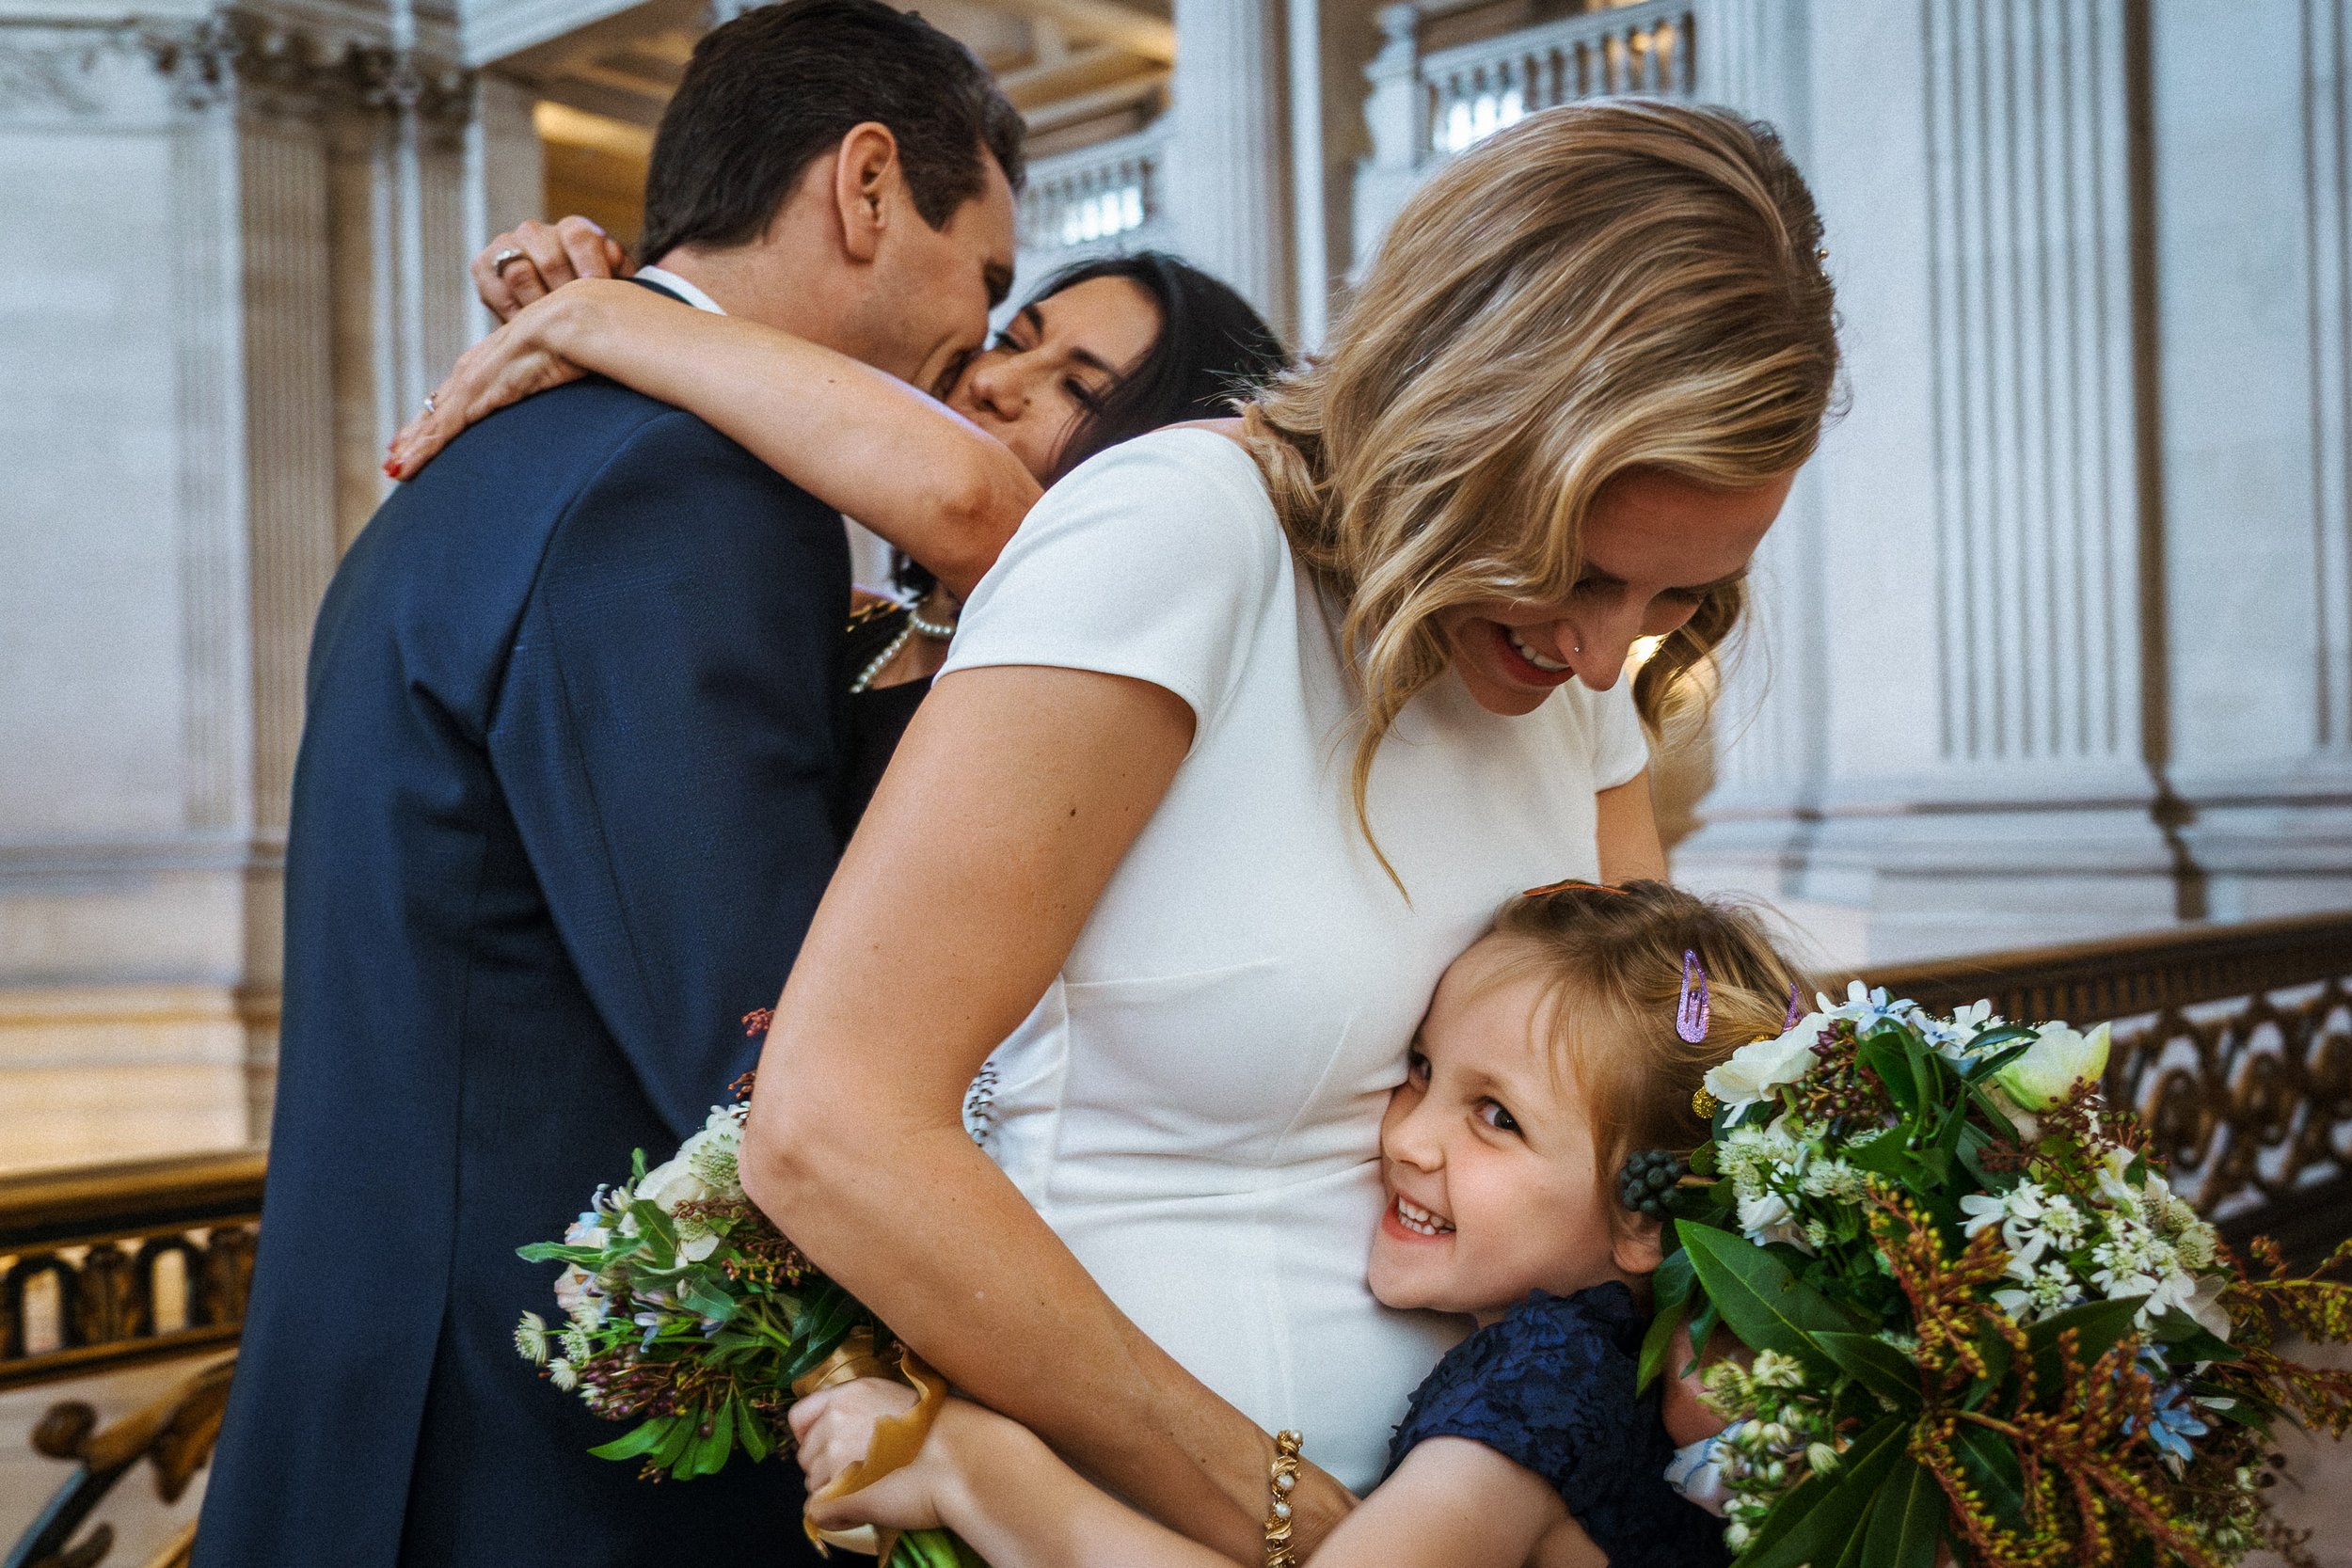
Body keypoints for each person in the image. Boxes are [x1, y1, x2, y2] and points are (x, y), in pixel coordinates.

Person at [739, 98, 1842, 1565]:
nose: (1604, 660)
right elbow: (830, 1129)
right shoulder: (1179, 540)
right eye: (1579, 570)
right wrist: (1298, 1518)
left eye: (1677, 600)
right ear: (1461, 412)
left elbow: (1653, 1114)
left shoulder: (1577, 672)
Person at [192, 5, 1022, 1565]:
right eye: (981, 280)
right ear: (863, 187)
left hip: (390, 1390)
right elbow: (760, 1040)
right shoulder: (681, 485)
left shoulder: (528, 444)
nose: (969, 352)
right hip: (535, 1459)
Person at [789, 880, 1804, 1568]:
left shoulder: (1554, 1378)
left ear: (1643, 1216)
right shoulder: (1603, 1361)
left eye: (1495, 1115)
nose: (1411, 1136)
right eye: (1419, 1068)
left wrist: (980, 1471)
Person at [387, 246, 1289, 815]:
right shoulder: (850, 623)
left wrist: (614, 313)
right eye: (1014, 340)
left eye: (1080, 390)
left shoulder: (1118, 637)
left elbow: (971, 502)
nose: (995, 383)